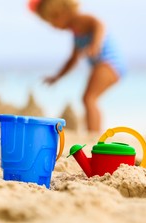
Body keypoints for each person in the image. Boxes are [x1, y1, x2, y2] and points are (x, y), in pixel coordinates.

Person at [28, 0, 126, 133]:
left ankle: (94, 133)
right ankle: (93, 131)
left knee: (89, 98)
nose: (53, 26)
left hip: (109, 63)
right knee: (90, 99)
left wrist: (95, 44)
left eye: (53, 20)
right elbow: (73, 60)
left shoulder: (82, 20)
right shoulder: (76, 34)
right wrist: (57, 77)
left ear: (63, 12)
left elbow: (99, 24)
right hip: (103, 65)